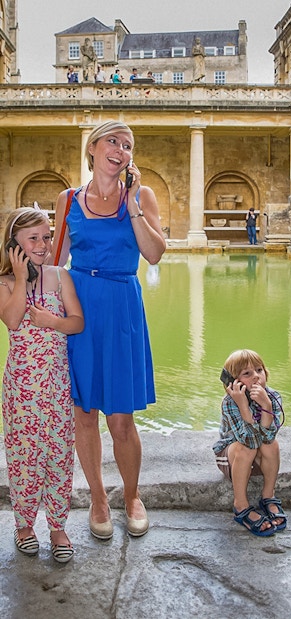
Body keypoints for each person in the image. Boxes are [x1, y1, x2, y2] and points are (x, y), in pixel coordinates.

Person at [50, 120, 166, 540]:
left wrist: (132, 202)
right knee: (84, 415)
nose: (121, 150)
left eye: (128, 145)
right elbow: (54, 260)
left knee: (120, 419)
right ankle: (98, 499)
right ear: (93, 148)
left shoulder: (142, 195)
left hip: (121, 308)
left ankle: (132, 496)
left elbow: (153, 254)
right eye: (113, 141)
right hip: (79, 308)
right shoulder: (68, 199)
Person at [0, 207, 84, 562]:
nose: (43, 244)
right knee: (23, 456)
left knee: (59, 454)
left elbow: (77, 322)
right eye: (32, 238)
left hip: (55, 384)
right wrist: (20, 277)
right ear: (13, 245)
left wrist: (53, 321)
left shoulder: (59, 276)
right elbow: (13, 319)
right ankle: (23, 524)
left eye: (47, 237)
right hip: (22, 387)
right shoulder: (4, 283)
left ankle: (58, 525)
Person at [213, 349, 287, 537]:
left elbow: (268, 438)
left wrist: (267, 406)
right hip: (232, 458)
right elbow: (249, 440)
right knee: (246, 448)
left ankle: (268, 495)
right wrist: (244, 407)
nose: (256, 377)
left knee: (273, 445)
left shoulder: (273, 397)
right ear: (233, 382)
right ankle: (241, 505)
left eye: (259, 370)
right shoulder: (230, 403)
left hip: (258, 459)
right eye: (247, 374)